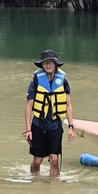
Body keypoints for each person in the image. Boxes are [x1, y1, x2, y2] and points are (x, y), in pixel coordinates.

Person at [25, 49, 74, 178]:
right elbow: (29, 106)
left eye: (51, 62)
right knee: (37, 161)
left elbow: (68, 105)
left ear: (55, 64)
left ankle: (54, 189)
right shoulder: (35, 82)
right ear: (42, 65)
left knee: (54, 159)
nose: (48, 65)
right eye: (45, 62)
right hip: (38, 124)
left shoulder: (63, 82)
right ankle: (34, 180)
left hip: (55, 125)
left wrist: (70, 126)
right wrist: (28, 129)